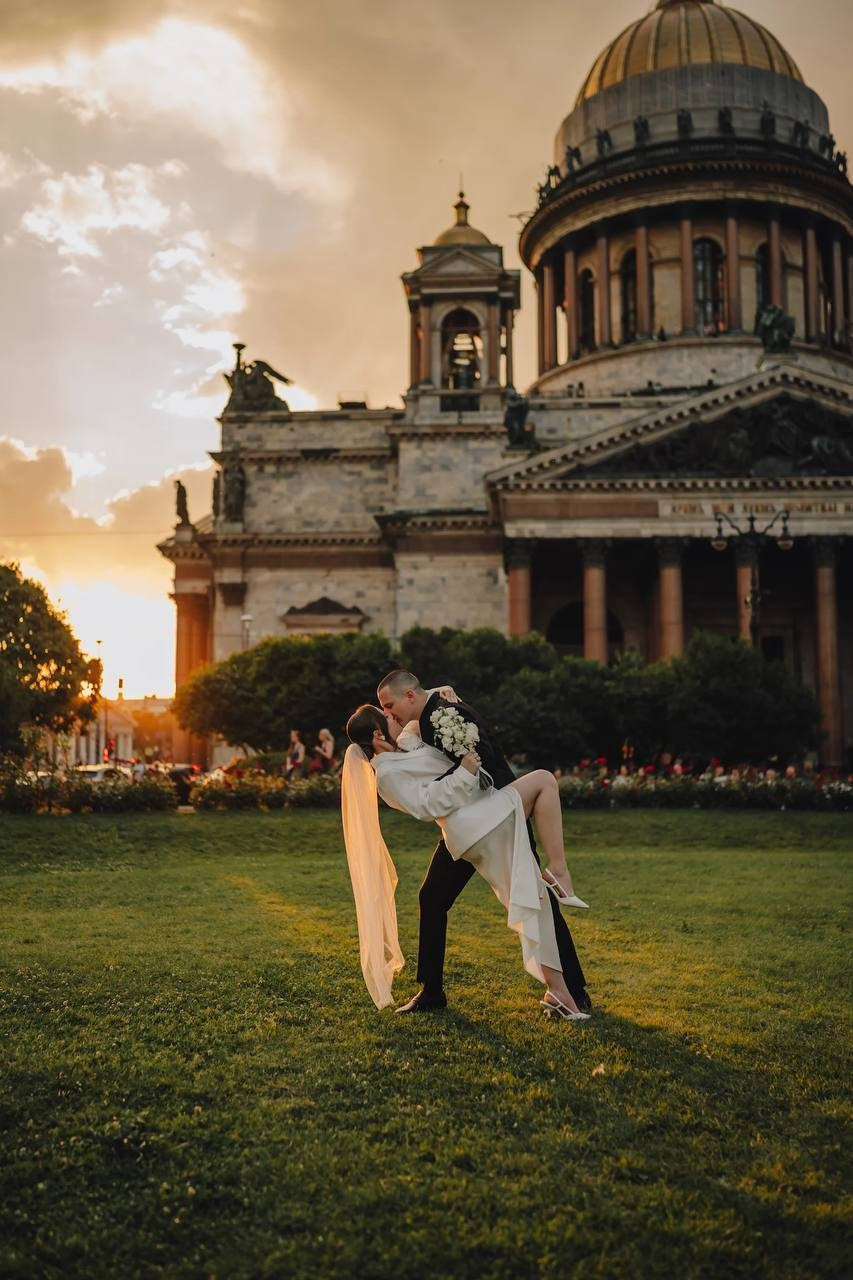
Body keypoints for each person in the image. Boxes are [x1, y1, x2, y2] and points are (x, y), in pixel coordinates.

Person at [343, 705, 589, 1023]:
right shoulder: (387, 775)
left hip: (478, 817)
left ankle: (564, 991)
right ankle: (559, 986)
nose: (394, 716)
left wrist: (445, 694)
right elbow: (427, 804)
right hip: (475, 827)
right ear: (378, 735)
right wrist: (465, 771)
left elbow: (417, 710)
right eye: (387, 715)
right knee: (526, 894)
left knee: (531, 896)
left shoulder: (402, 745)